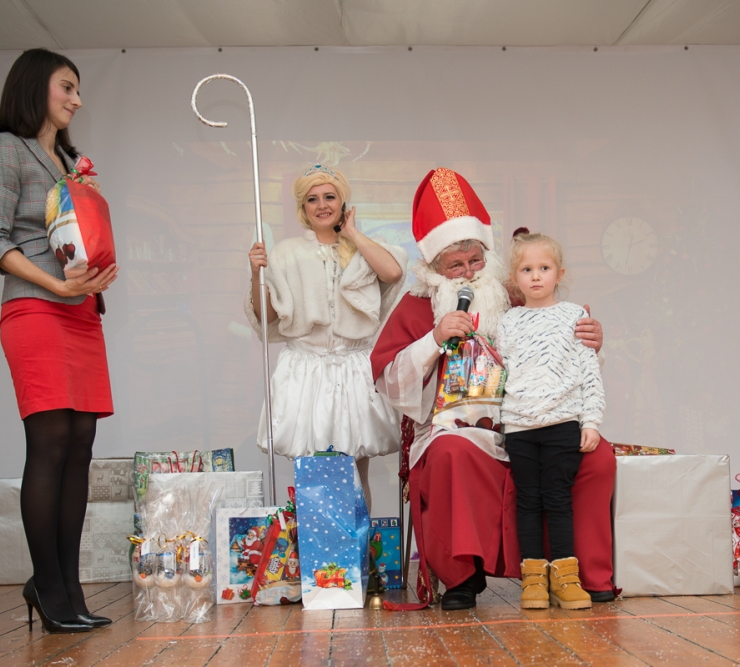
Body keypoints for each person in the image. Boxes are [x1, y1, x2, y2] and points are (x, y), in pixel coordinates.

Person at [371, 167, 615, 611]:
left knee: (596, 456)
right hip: (454, 428)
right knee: (451, 454)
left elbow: (565, 356)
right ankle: (463, 579)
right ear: (433, 267)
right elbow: (388, 379)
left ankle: (581, 573)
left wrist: (591, 341)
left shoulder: (517, 294)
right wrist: (433, 339)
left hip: (533, 419)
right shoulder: (417, 305)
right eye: (455, 265)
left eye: (476, 260)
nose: (467, 273)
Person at [0, 49, 118, 633]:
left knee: (81, 443)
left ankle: (67, 588)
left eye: (78, 89)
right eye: (67, 87)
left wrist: (94, 272)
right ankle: (49, 587)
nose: (77, 99)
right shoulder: (4, 148)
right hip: (35, 308)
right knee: (50, 441)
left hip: (81, 313)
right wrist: (55, 283)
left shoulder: (72, 160)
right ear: (36, 86)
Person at [245, 164, 408, 505]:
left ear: (342, 201)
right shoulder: (287, 252)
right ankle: (317, 539)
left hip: (353, 369)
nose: (322, 205)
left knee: (356, 470)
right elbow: (267, 316)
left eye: (329, 197)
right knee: (313, 470)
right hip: (307, 370)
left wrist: (352, 233)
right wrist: (256, 274)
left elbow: (393, 273)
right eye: (312, 199)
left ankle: (359, 540)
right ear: (302, 208)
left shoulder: (364, 247)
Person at [497, 230, 606, 611]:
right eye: (527, 269)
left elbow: (589, 372)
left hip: (562, 424)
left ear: (559, 274)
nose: (536, 276)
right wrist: (499, 423)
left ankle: (565, 578)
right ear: (515, 278)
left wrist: (591, 421)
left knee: (558, 500)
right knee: (528, 501)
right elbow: (502, 374)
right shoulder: (508, 321)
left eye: (544, 268)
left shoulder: (575, 315)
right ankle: (533, 580)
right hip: (520, 427)